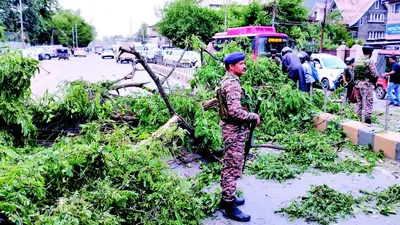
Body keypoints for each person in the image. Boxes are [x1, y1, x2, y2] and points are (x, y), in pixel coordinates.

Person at [217, 52, 260, 222]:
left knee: (229, 164)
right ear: (231, 67)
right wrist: (252, 116)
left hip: (230, 129)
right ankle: (228, 206)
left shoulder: (227, 80)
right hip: (233, 130)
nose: (244, 66)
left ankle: (227, 197)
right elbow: (234, 112)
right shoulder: (233, 84)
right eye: (241, 63)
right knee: (232, 167)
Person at [354, 46, 379, 124]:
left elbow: (355, 74)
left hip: (358, 85)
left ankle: (358, 119)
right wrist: (374, 83)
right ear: (370, 53)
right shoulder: (370, 61)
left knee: (359, 103)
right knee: (368, 103)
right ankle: (367, 121)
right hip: (366, 86)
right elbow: (375, 75)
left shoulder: (358, 61)